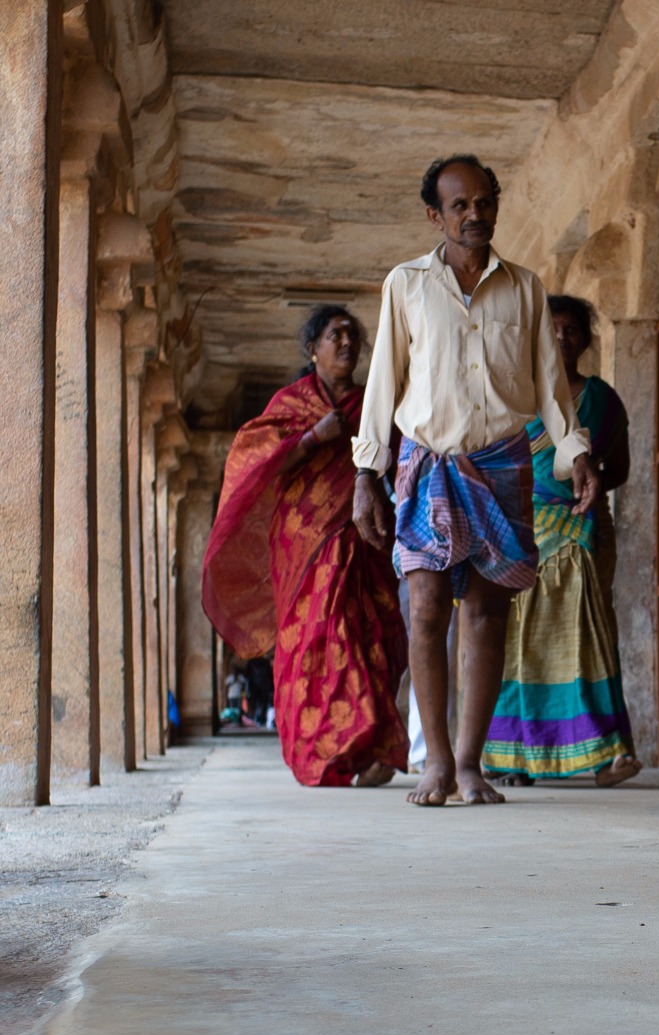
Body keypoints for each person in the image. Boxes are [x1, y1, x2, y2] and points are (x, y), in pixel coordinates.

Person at [351, 154, 599, 807]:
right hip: (426, 461)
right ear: (435, 215)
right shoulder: (405, 285)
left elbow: (551, 386)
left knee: (488, 613)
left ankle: (468, 764)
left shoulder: (524, 288)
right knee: (426, 607)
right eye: (459, 206)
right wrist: (365, 472)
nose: (475, 215)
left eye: (484, 202)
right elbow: (385, 380)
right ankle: (432, 765)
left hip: (502, 460)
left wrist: (577, 455)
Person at [202, 306, 409, 787]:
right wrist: (314, 438)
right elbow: (254, 464)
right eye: (335, 335)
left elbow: (403, 456)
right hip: (306, 544)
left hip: (367, 538)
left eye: (353, 335)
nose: (346, 343)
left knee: (376, 638)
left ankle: (372, 745)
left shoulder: (374, 405)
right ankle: (328, 749)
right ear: (312, 349)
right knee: (319, 639)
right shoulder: (291, 404)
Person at [482, 295, 640, 787]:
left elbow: (622, 468)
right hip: (518, 529)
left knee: (585, 633)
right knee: (517, 639)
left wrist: (587, 476)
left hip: (580, 525)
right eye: (551, 329)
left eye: (571, 330)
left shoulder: (601, 398)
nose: (561, 338)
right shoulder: (512, 395)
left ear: (586, 340)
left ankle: (607, 753)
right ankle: (515, 759)